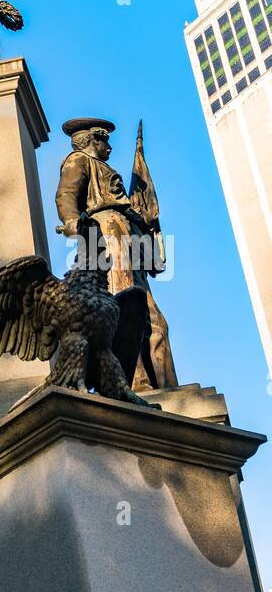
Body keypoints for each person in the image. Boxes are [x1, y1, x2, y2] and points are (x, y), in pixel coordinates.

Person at [55, 118, 177, 390]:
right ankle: (133, 384)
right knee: (123, 307)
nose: (109, 145)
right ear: (92, 140)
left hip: (128, 237)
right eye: (105, 140)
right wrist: (74, 222)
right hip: (107, 233)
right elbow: (66, 195)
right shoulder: (78, 161)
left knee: (154, 320)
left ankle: (168, 388)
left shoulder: (103, 167)